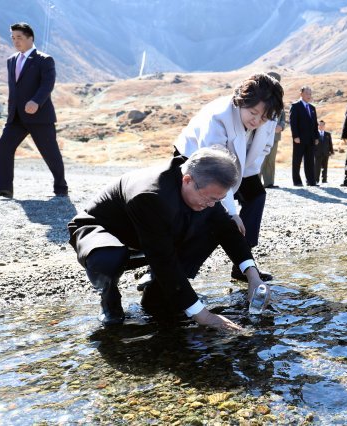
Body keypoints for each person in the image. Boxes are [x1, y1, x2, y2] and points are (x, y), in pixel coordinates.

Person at [68, 147, 267, 330]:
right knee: (108, 258)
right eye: (210, 198)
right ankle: (109, 298)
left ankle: (157, 293)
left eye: (218, 199)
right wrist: (204, 316)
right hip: (105, 232)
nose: (212, 204)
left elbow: (226, 229)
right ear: (187, 180)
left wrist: (253, 277)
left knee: (213, 225)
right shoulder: (150, 195)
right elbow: (163, 259)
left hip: (152, 234)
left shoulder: (202, 186)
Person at [175, 73, 284, 282]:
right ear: (240, 101)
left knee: (256, 195)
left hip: (239, 165)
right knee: (210, 212)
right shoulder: (218, 118)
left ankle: (243, 262)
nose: (257, 120)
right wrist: (232, 213)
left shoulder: (267, 117)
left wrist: (246, 178)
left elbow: (262, 150)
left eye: (263, 117)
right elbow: (216, 172)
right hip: (198, 159)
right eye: (253, 113)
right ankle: (171, 270)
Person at [0, 22, 67, 199]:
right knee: (4, 145)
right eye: (13, 38)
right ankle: (4, 188)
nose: (15, 41)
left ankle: (61, 188)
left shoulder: (44, 60)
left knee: (50, 153)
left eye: (19, 38)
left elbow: (47, 84)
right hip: (16, 116)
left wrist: (36, 101)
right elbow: (15, 88)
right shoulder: (11, 60)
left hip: (39, 116)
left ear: (30, 38)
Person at [289, 86, 320, 186]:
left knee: (310, 161)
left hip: (311, 139)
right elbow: (293, 123)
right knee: (297, 160)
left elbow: (315, 124)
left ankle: (311, 181)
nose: (309, 95)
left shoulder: (312, 108)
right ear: (301, 94)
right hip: (299, 139)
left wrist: (316, 137)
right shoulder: (295, 106)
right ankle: (297, 181)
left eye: (310, 93)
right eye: (307, 93)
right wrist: (295, 136)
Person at [260, 72, 286, 189]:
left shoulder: (279, 98)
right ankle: (255, 183)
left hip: (275, 135)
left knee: (270, 159)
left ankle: (269, 182)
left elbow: (283, 117)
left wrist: (281, 126)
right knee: (259, 159)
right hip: (261, 134)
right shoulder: (261, 97)